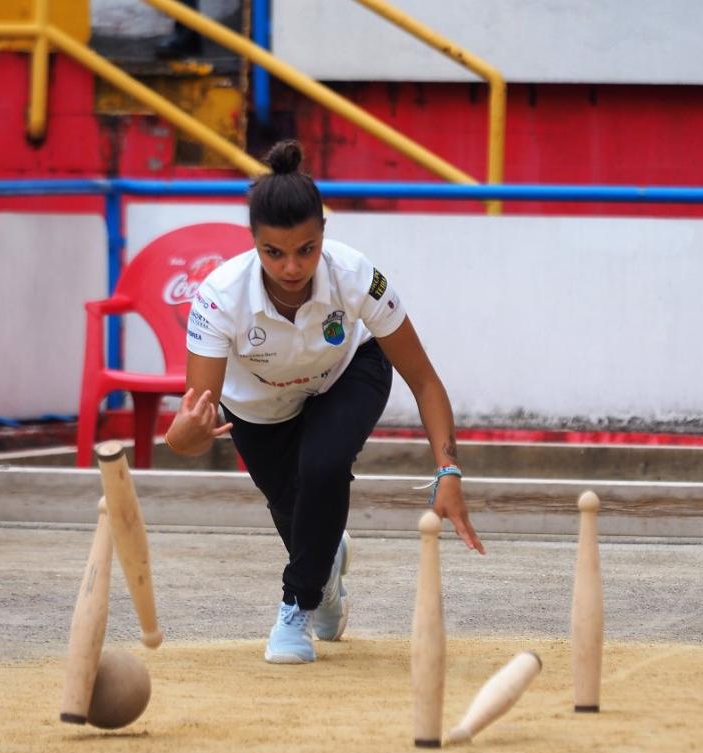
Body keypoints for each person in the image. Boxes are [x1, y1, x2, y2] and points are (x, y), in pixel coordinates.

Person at [166, 139, 485, 665]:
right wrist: (189, 436)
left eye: (306, 249)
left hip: (348, 374)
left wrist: (447, 470)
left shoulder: (356, 274)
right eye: (274, 253)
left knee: (324, 466)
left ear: (322, 238)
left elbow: (424, 379)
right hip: (259, 408)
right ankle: (328, 564)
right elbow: (182, 434)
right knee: (304, 524)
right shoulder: (218, 297)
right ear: (253, 244)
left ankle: (297, 608)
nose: (292, 267)